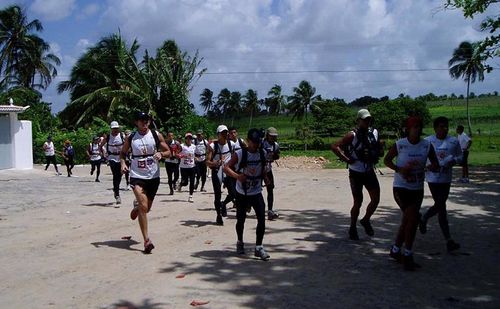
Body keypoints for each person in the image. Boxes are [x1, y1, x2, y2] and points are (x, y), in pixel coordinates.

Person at [384, 116, 439, 271]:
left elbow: (435, 163)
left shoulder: (426, 145)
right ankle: (408, 254)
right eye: (414, 126)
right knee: (413, 219)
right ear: (408, 129)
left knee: (409, 220)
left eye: (419, 126)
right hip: (401, 189)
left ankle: (395, 250)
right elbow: (387, 160)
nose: (417, 129)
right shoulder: (400, 145)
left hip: (417, 189)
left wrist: (431, 167)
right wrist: (400, 169)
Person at [121, 111, 170, 254]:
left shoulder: (156, 135)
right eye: (141, 120)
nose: (144, 122)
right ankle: (147, 240)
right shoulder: (131, 138)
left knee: (146, 208)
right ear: (136, 122)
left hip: (153, 176)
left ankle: (137, 207)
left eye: (146, 120)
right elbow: (123, 153)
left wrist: (161, 154)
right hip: (137, 175)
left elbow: (168, 151)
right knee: (144, 206)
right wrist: (123, 164)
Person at [331, 109, 384, 240]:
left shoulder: (374, 133)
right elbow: (335, 146)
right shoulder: (352, 135)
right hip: (356, 172)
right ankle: (353, 227)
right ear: (358, 120)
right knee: (358, 202)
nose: (367, 121)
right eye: (364, 119)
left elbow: (378, 147)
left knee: (376, 199)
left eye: (369, 119)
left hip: (369, 170)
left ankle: (365, 219)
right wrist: (347, 159)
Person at [224, 128, 271, 261]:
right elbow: (226, 167)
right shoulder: (240, 154)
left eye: (258, 142)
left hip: (256, 191)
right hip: (242, 193)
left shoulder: (262, 153)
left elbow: (262, 169)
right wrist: (237, 176)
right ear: (248, 141)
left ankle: (259, 247)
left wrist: (265, 178)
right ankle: (240, 242)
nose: (256, 144)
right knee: (241, 219)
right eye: (254, 142)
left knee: (261, 217)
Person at [420, 117, 462, 252]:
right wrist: (428, 166)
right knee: (440, 204)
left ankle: (426, 218)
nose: (444, 129)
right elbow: (422, 158)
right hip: (433, 178)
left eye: (446, 126)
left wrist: (453, 161)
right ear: (435, 128)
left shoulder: (453, 141)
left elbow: (461, 157)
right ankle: (448, 239)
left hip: (446, 177)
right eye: (441, 126)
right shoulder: (428, 141)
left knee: (441, 206)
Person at [206, 125, 234, 225]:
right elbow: (207, 162)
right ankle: (218, 215)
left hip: (227, 171)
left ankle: (224, 204)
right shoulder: (213, 146)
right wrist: (216, 163)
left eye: (226, 132)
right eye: (223, 133)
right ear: (218, 134)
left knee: (233, 193)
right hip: (217, 171)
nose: (225, 134)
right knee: (217, 194)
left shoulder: (231, 144)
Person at [101, 121, 125, 205]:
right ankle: (117, 194)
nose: (115, 130)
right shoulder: (108, 137)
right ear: (111, 129)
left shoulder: (122, 136)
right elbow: (101, 145)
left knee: (120, 175)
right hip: (112, 158)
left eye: (116, 128)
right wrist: (104, 154)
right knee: (115, 175)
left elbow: (127, 145)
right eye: (114, 128)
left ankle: (115, 188)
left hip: (121, 157)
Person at [262, 127, 280, 220]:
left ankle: (269, 210)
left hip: (268, 168)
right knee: (255, 188)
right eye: (271, 136)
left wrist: (274, 156)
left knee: (270, 188)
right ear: (267, 135)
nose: (273, 138)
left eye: (274, 136)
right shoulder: (261, 143)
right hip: (259, 168)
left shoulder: (275, 145)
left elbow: (278, 156)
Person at [178, 132, 196, 202]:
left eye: (190, 138)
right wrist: (182, 156)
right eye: (187, 138)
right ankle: (181, 184)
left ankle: (190, 196)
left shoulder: (194, 146)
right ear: (185, 139)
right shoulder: (182, 146)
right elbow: (176, 154)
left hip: (192, 166)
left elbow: (195, 155)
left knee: (192, 181)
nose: (189, 140)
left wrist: (196, 158)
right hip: (184, 167)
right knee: (185, 182)